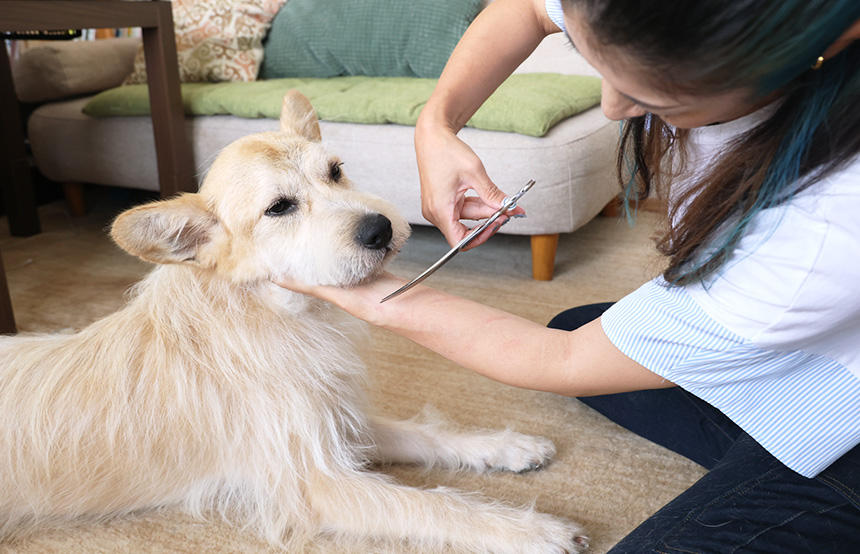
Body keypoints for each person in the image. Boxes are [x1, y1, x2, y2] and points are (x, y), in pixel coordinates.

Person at [276, 0, 860, 550]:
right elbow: (529, 7)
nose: (611, 107)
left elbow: (558, 359)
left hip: (844, 407)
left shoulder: (828, 225)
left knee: (587, 358)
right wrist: (437, 125)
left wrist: (340, 283)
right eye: (593, 58)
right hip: (803, 349)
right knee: (582, 327)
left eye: (657, 95)